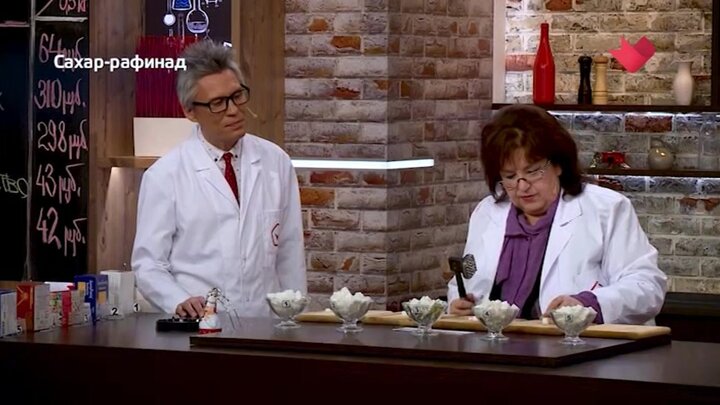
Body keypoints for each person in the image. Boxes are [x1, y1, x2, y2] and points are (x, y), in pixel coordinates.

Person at [132, 40, 306, 318]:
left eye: (237, 96)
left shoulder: (276, 162)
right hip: (200, 326)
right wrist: (178, 300)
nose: (233, 109)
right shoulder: (164, 175)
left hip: (266, 325)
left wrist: (293, 319)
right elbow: (148, 264)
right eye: (218, 103)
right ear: (190, 111)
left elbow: (290, 252)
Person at [447, 105, 667, 325]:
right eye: (510, 176)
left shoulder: (607, 208)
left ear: (558, 164)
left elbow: (647, 286)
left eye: (533, 171)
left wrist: (588, 304)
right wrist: (458, 304)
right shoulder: (487, 212)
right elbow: (465, 283)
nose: (522, 187)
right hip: (495, 343)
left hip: (580, 342)